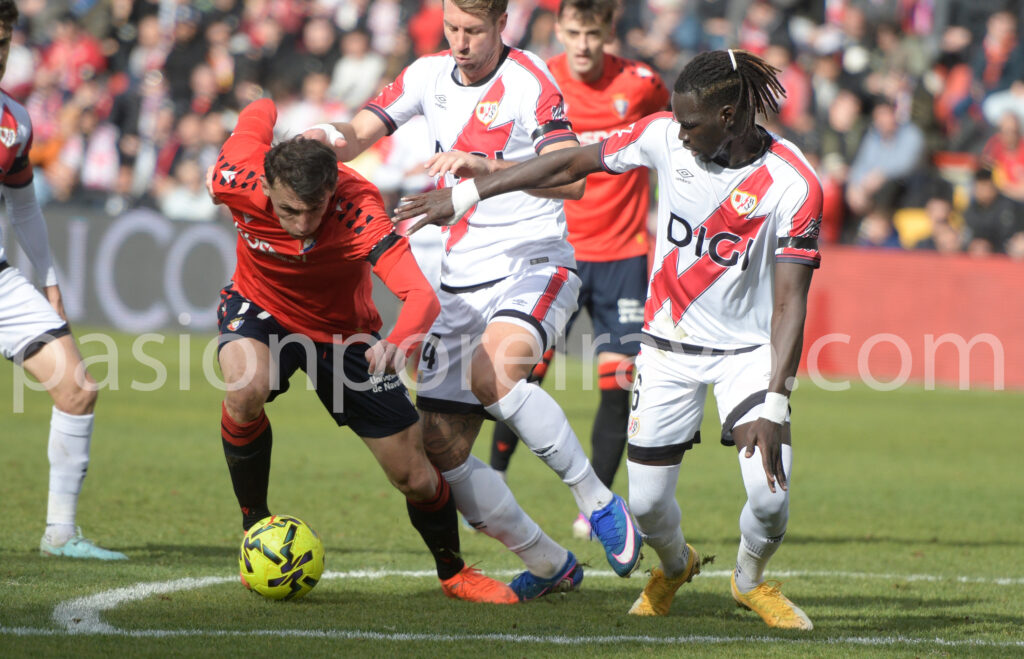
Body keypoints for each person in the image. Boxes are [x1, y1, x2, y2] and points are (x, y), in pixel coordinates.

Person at [395, 48, 820, 630]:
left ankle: (749, 580)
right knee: (645, 505)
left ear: (728, 117)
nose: (679, 130)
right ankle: (675, 566)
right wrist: (469, 194)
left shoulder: (794, 183)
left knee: (770, 499)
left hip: (746, 356)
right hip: (667, 349)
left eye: (690, 121)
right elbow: (570, 164)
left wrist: (775, 400)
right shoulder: (663, 137)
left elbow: (791, 299)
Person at [305, 0, 642, 601]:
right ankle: (550, 563)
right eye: (452, 28)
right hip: (461, 283)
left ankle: (598, 500)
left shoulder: (530, 80)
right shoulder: (426, 75)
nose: (460, 42)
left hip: (533, 265)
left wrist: (482, 166)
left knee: (495, 374)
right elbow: (358, 132)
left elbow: (573, 178)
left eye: (474, 31)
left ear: (501, 25)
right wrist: (324, 139)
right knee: (437, 449)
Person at [211, 97, 515, 604]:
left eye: (315, 210)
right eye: (290, 210)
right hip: (260, 305)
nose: (304, 225)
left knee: (414, 476)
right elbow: (259, 109)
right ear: (264, 186)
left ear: (333, 189)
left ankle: (454, 572)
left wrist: (398, 342)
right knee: (244, 388)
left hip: (344, 335)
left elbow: (420, 296)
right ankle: (255, 525)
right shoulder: (234, 177)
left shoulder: (358, 209)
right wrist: (280, 116)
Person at [487, 0, 669, 542]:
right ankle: (492, 480)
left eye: (593, 34)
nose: (584, 45)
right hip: (558, 250)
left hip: (624, 255)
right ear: (558, 30)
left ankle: (597, 509)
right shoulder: (542, 81)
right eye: (574, 33)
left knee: (619, 383)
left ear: (608, 31)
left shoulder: (642, 84)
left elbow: (669, 134)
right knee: (519, 373)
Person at [0, 0, 125, 561]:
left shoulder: (15, 122)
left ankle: (59, 534)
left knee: (77, 388)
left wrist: (48, 281)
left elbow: (23, 207)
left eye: (3, 43)